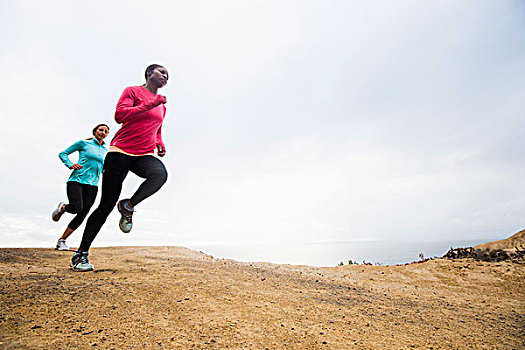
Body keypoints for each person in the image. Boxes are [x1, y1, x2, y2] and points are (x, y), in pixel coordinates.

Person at [70, 64, 169, 272]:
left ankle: (129, 206)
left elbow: (157, 127)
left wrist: (159, 142)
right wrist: (150, 104)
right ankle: (81, 254)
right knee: (106, 204)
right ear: (149, 74)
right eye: (162, 72)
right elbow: (120, 116)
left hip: (143, 154)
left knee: (159, 174)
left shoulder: (162, 106)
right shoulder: (133, 91)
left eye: (168, 75)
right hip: (120, 153)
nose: (166, 76)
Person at [52, 124, 110, 251]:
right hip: (77, 180)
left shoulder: (107, 150)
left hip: (93, 185)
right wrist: (70, 164)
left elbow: (106, 166)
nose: (103, 132)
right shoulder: (84, 143)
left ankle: (62, 240)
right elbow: (63, 154)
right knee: (76, 207)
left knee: (83, 213)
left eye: (106, 131)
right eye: (101, 130)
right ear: (95, 132)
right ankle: (63, 207)